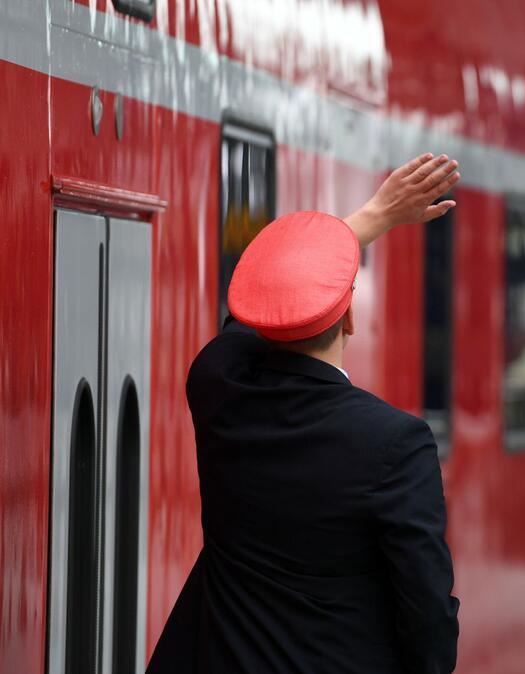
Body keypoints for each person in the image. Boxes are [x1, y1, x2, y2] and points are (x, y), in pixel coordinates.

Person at [147, 153, 462, 674]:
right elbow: (429, 627)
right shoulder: (396, 444)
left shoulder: (220, 391)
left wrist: (371, 218)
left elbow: (248, 320)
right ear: (351, 317)